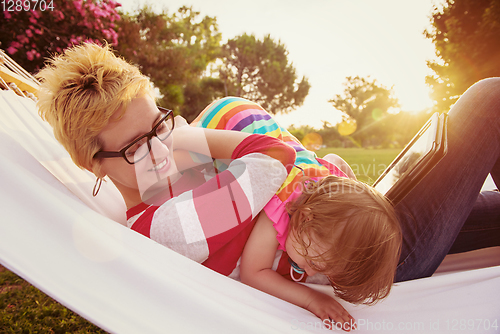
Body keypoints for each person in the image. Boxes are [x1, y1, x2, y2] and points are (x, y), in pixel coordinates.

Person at [35, 42, 297, 276]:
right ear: (92, 164)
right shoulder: (167, 230)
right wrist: (184, 135)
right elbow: (275, 155)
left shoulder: (184, 171)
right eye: (136, 146)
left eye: (159, 125)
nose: (160, 149)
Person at [191, 96, 401, 330]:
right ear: (305, 218)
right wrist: (312, 298)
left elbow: (336, 161)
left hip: (250, 115)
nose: (310, 273)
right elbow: (254, 273)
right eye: (312, 262)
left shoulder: (333, 185)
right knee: (185, 170)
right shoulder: (280, 201)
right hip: (224, 122)